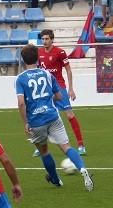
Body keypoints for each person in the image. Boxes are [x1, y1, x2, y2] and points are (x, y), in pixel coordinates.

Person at [17, 44, 93, 191]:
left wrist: (26, 123)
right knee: (66, 146)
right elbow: (58, 96)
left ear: (23, 60)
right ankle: (82, 168)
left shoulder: (20, 79)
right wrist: (47, 98)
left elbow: (21, 103)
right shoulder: (47, 74)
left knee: (44, 151)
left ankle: (56, 180)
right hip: (52, 116)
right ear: (38, 58)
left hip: (36, 121)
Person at [35, 29, 86, 155]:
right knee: (42, 116)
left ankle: (81, 145)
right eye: (43, 39)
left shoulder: (60, 52)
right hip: (45, 89)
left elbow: (68, 70)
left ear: (52, 39)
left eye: (47, 39)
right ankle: (40, 146)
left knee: (69, 115)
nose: (44, 41)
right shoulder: (39, 52)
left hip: (59, 87)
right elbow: (38, 71)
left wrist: (71, 88)